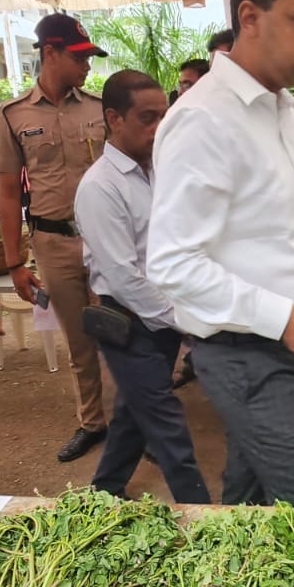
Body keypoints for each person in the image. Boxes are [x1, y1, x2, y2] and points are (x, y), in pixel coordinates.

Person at [149, 0, 294, 506]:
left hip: (286, 348)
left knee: (250, 509)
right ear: (250, 18)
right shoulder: (206, 119)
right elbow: (172, 262)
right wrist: (284, 318)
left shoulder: (283, 108)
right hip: (247, 353)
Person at [72, 70, 211, 504]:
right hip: (131, 321)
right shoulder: (100, 187)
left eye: (163, 118)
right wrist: (183, 322)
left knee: (135, 414)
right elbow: (122, 275)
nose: (158, 130)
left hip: (163, 315)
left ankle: (103, 492)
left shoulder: (158, 171)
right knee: (167, 424)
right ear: (114, 118)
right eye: (147, 119)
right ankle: (205, 515)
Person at [0, 13, 110, 463]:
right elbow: (6, 192)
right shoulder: (12, 115)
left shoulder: (100, 109)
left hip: (104, 241)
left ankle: (137, 424)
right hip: (52, 243)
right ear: (50, 54)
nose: (86, 66)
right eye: (78, 57)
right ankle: (93, 423)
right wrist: (14, 261)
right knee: (79, 341)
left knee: (120, 333)